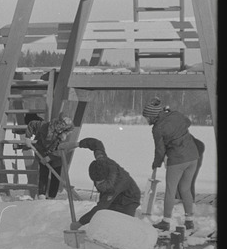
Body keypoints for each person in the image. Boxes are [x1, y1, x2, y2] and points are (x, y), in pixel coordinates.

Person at [142, 97, 200, 232]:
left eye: (147, 117)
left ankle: (166, 222)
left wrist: (156, 163)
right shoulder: (176, 115)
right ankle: (189, 221)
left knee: (170, 190)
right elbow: (188, 122)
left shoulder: (157, 128)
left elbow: (160, 149)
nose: (146, 120)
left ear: (153, 116)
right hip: (193, 157)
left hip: (177, 159)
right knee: (185, 188)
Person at [68, 137, 141, 230]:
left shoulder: (115, 186)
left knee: (121, 226)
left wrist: (80, 222)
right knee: (105, 219)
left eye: (100, 182)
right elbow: (97, 144)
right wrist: (76, 144)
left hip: (129, 199)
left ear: (106, 177)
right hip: (115, 197)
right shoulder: (102, 160)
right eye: (95, 181)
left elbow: (101, 207)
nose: (97, 184)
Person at [24, 116, 75, 199]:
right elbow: (32, 124)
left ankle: (52, 196)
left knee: (56, 175)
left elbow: (62, 150)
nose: (61, 129)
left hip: (56, 155)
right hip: (42, 151)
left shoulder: (65, 136)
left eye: (63, 128)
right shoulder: (44, 126)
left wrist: (49, 158)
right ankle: (42, 195)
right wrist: (27, 137)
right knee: (43, 173)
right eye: (60, 126)